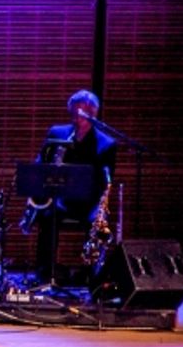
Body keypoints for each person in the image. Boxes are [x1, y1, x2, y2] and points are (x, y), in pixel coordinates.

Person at [28, 89, 117, 283]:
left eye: (84, 112)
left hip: (89, 201)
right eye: (75, 111)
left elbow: (106, 180)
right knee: (47, 215)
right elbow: (41, 163)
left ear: (93, 114)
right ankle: (46, 271)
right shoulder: (57, 133)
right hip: (61, 200)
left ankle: (91, 273)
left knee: (98, 222)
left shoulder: (106, 143)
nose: (78, 117)